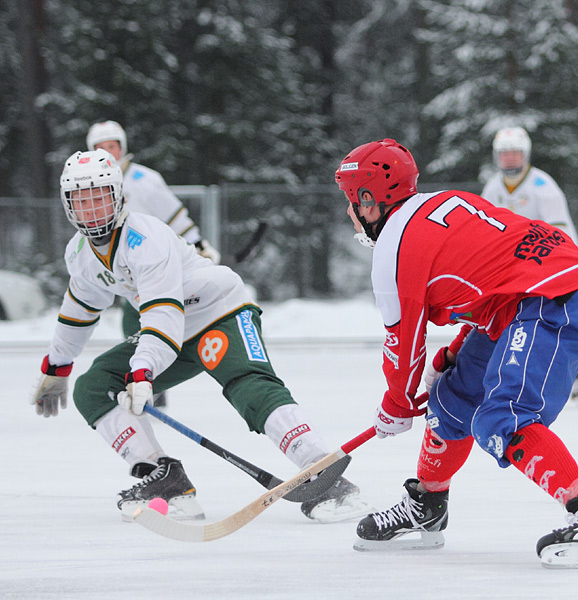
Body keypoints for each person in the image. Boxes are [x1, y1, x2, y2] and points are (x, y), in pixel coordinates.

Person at [334, 138, 578, 568]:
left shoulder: (392, 251)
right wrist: (457, 352)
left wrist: (396, 405)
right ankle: (426, 506)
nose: (349, 212)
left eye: (351, 201)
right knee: (452, 400)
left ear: (371, 200)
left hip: (552, 297)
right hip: (531, 294)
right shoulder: (441, 200)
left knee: (502, 417)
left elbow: (403, 345)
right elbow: (493, 278)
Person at [30, 149, 368, 523]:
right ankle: (164, 480)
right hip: (170, 329)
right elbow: (79, 310)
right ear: (67, 205)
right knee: (93, 386)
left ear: (117, 196)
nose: (91, 209)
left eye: (98, 197)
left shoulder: (146, 237)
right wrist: (57, 367)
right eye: (81, 200)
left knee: (249, 387)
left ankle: (326, 475)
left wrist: (143, 370)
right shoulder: (79, 253)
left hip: (218, 313)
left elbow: (162, 311)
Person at [87, 120, 220, 407]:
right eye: (101, 148)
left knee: (155, 316)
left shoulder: (144, 179)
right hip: (124, 267)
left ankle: (153, 380)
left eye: (113, 146)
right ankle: (145, 376)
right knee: (131, 320)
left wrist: (197, 244)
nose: (108, 153)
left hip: (156, 260)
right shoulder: (91, 184)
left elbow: (174, 215)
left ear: (122, 148)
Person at [480, 126, 578, 405]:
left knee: (556, 321)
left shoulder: (542, 186)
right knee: (506, 322)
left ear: (525, 154)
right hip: (510, 271)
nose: (509, 160)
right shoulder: (492, 187)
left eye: (514, 153)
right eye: (504, 154)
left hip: (545, 266)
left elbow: (561, 230)